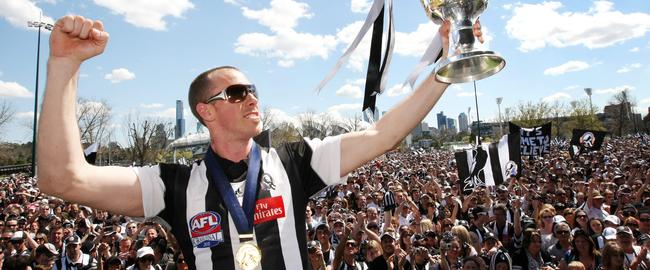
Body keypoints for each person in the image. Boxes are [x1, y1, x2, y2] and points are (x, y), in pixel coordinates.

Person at [37, 15, 475, 269]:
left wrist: (447, 67)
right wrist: (64, 64)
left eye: (253, 89)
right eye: (235, 92)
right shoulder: (170, 184)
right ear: (205, 112)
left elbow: (385, 133)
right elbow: (63, 178)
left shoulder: (296, 162)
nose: (251, 97)